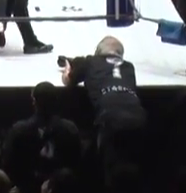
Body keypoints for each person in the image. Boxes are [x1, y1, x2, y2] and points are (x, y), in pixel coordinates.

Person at [62, 36, 148, 176]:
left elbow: (67, 81)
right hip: (137, 115)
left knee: (109, 164)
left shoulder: (91, 62)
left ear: (98, 51)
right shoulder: (128, 66)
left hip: (110, 116)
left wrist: (67, 67)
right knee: (133, 163)